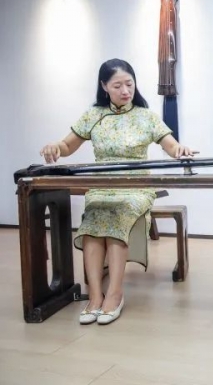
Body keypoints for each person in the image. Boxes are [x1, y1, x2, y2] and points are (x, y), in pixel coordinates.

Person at [39, 58, 195, 325]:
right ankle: (94, 296)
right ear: (104, 86)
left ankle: (114, 294)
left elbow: (170, 145)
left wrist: (179, 149)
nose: (125, 91)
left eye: (129, 84)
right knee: (92, 223)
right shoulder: (94, 115)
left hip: (136, 186)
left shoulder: (145, 116)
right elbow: (67, 146)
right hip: (101, 185)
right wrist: (55, 147)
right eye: (117, 86)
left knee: (117, 215)